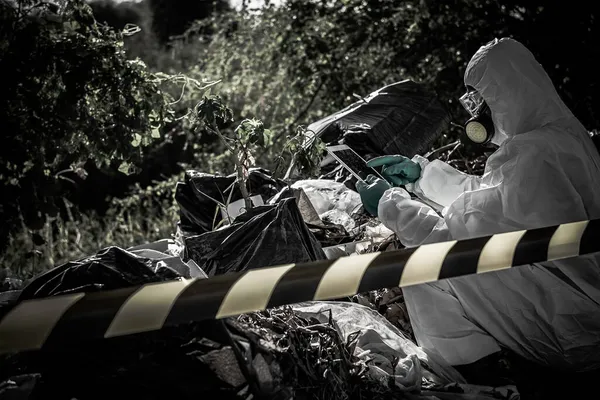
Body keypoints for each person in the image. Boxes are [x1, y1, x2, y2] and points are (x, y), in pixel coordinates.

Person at [356, 38, 600, 381]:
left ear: (504, 96)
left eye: (481, 99)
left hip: (574, 330)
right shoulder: (557, 137)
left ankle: (479, 377)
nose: (477, 112)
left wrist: (390, 204)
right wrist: (421, 176)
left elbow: (459, 234)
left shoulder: (536, 154)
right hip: (578, 306)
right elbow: (492, 198)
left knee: (420, 265)